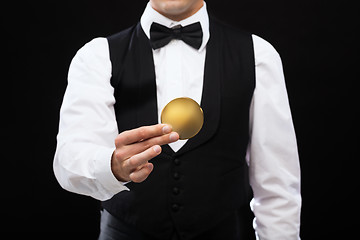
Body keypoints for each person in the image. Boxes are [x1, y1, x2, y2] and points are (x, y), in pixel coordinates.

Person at [53, 0, 302, 239]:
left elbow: (278, 184)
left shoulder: (258, 55)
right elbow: (69, 159)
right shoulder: (97, 56)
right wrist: (112, 166)